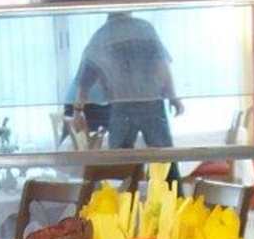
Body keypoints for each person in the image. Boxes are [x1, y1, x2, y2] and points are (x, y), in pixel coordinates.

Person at [74, 13, 183, 149]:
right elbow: (162, 66)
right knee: (162, 155)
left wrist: (78, 111)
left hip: (121, 104)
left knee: (121, 157)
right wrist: (173, 97)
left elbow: (85, 80)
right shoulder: (145, 28)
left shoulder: (101, 35)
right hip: (151, 101)